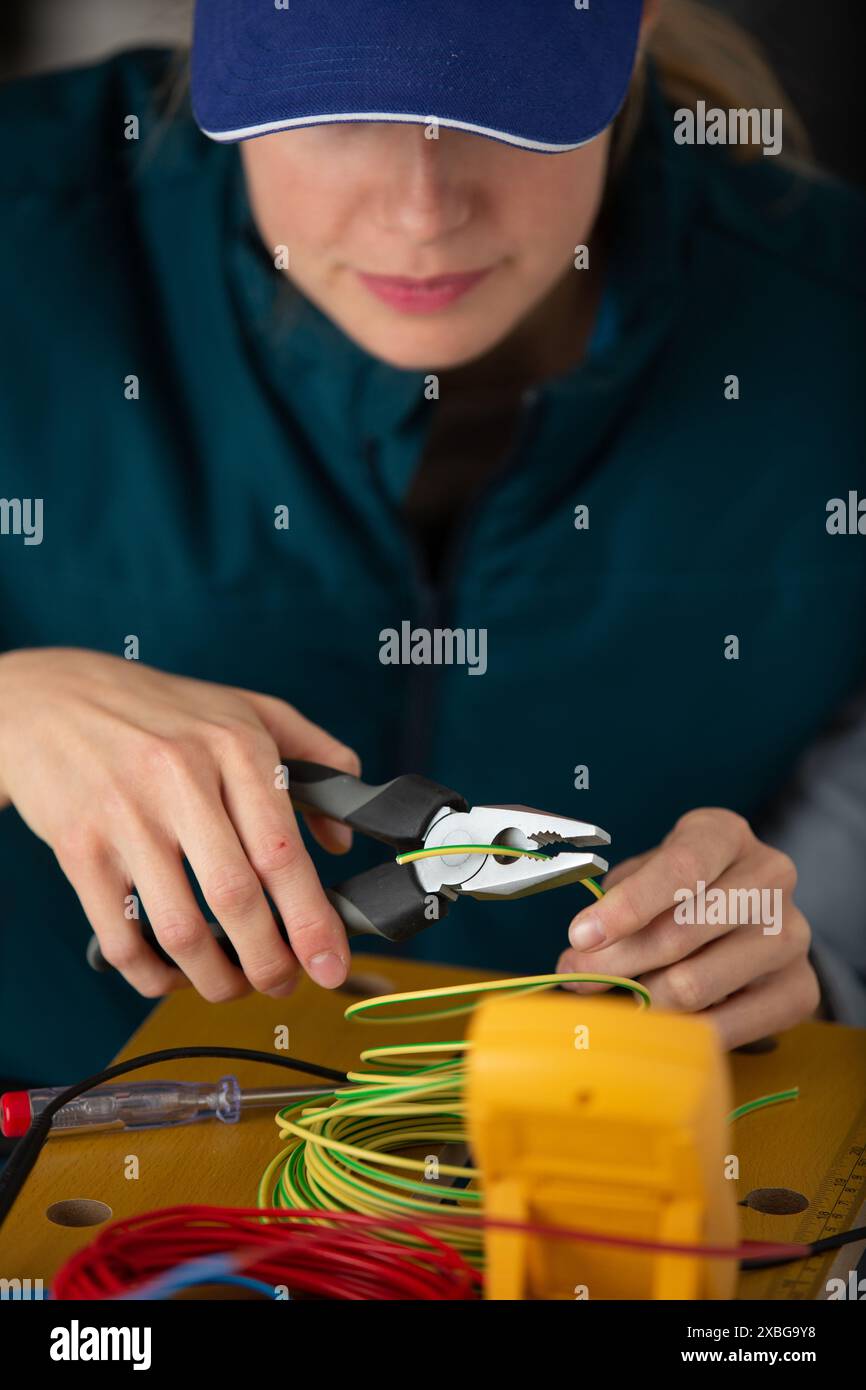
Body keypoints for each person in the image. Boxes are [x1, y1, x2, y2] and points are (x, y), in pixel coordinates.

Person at [0, 0, 864, 1100]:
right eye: (339, 109)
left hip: (599, 1191)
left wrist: (802, 970)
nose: (421, 214)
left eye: (505, 114)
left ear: (637, 28)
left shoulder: (831, 327)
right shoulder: (21, 233)